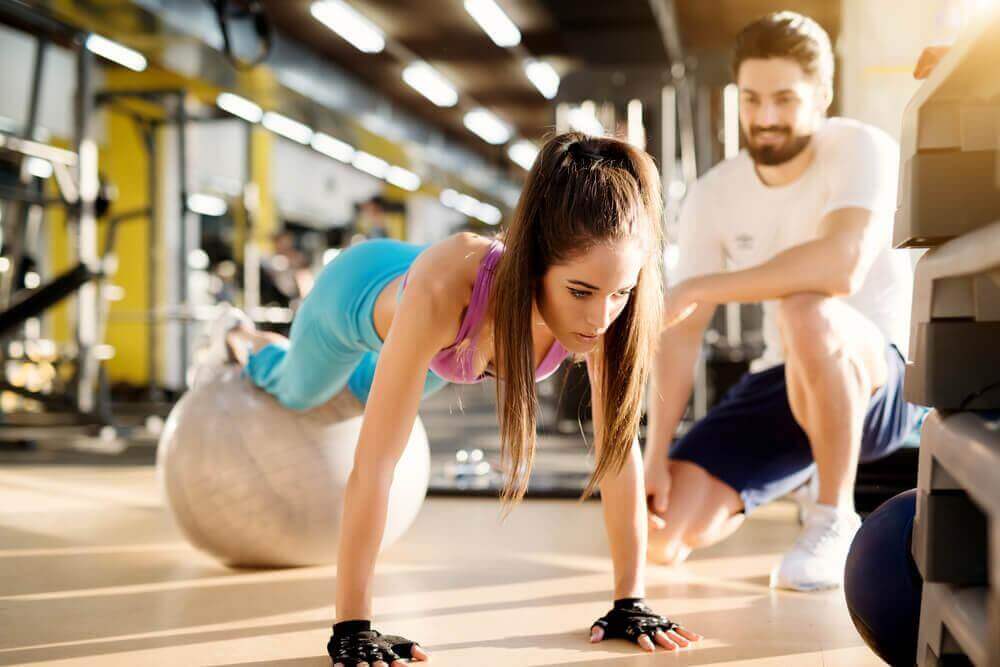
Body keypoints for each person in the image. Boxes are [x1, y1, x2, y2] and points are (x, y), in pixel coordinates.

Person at [207, 132, 701, 665]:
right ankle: (244, 338)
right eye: (579, 292)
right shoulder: (447, 288)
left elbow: (618, 453)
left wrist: (631, 601)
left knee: (363, 395)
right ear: (534, 264)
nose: (600, 317)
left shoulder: (611, 310)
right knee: (301, 392)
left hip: (441, 351)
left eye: (620, 293)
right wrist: (353, 627)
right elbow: (375, 464)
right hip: (354, 296)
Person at [643, 11, 923, 592]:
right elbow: (681, 332)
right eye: (751, 99)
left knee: (806, 307)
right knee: (660, 535)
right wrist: (655, 451)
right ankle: (802, 468)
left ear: (822, 96)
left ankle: (833, 516)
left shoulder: (862, 148)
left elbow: (840, 267)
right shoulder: (715, 193)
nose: (766, 117)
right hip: (785, 377)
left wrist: (698, 287)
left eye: (785, 99)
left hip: (880, 380)